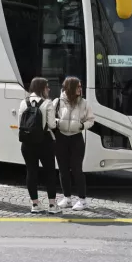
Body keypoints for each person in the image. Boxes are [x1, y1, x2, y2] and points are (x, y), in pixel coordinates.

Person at [17, 77, 59, 214]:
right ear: (41, 88)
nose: (49, 89)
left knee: (31, 172)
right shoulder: (47, 103)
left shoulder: (24, 102)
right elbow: (52, 125)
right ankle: (52, 205)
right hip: (44, 141)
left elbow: (20, 124)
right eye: (47, 87)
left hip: (27, 142)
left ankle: (35, 204)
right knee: (50, 173)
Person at [52, 76, 93, 211]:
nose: (80, 89)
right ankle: (67, 198)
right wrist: (57, 122)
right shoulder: (57, 102)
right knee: (63, 169)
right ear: (70, 88)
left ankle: (82, 200)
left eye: (81, 86)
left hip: (76, 138)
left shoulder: (84, 103)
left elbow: (91, 120)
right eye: (78, 87)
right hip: (61, 138)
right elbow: (50, 118)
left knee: (77, 169)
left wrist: (82, 126)